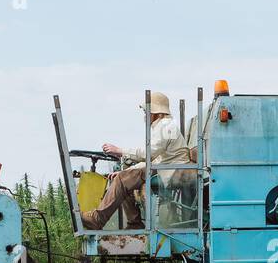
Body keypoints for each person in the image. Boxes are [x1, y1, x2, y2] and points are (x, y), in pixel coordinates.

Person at [80, 92, 194, 230]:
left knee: (122, 180)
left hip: (172, 171)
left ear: (156, 111)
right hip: (164, 168)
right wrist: (127, 171)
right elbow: (153, 159)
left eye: (147, 111)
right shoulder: (162, 127)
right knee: (123, 180)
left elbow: (148, 154)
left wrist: (120, 151)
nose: (145, 115)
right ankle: (134, 224)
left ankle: (97, 219)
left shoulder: (166, 126)